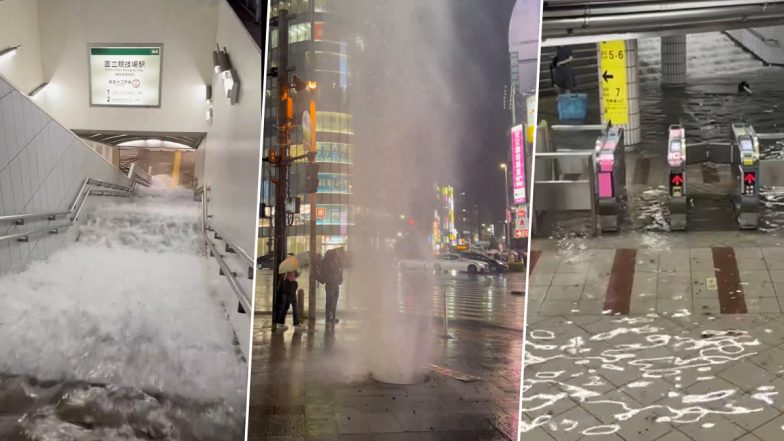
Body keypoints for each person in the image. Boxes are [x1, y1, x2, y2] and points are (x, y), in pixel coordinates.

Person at [320, 248, 344, 324]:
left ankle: (332, 316)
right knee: (330, 300)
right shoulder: (329, 263)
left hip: (335, 283)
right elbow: (332, 272)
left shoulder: (335, 262)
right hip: (331, 283)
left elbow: (338, 272)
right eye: (336, 253)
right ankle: (330, 317)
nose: (337, 255)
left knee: (333, 300)